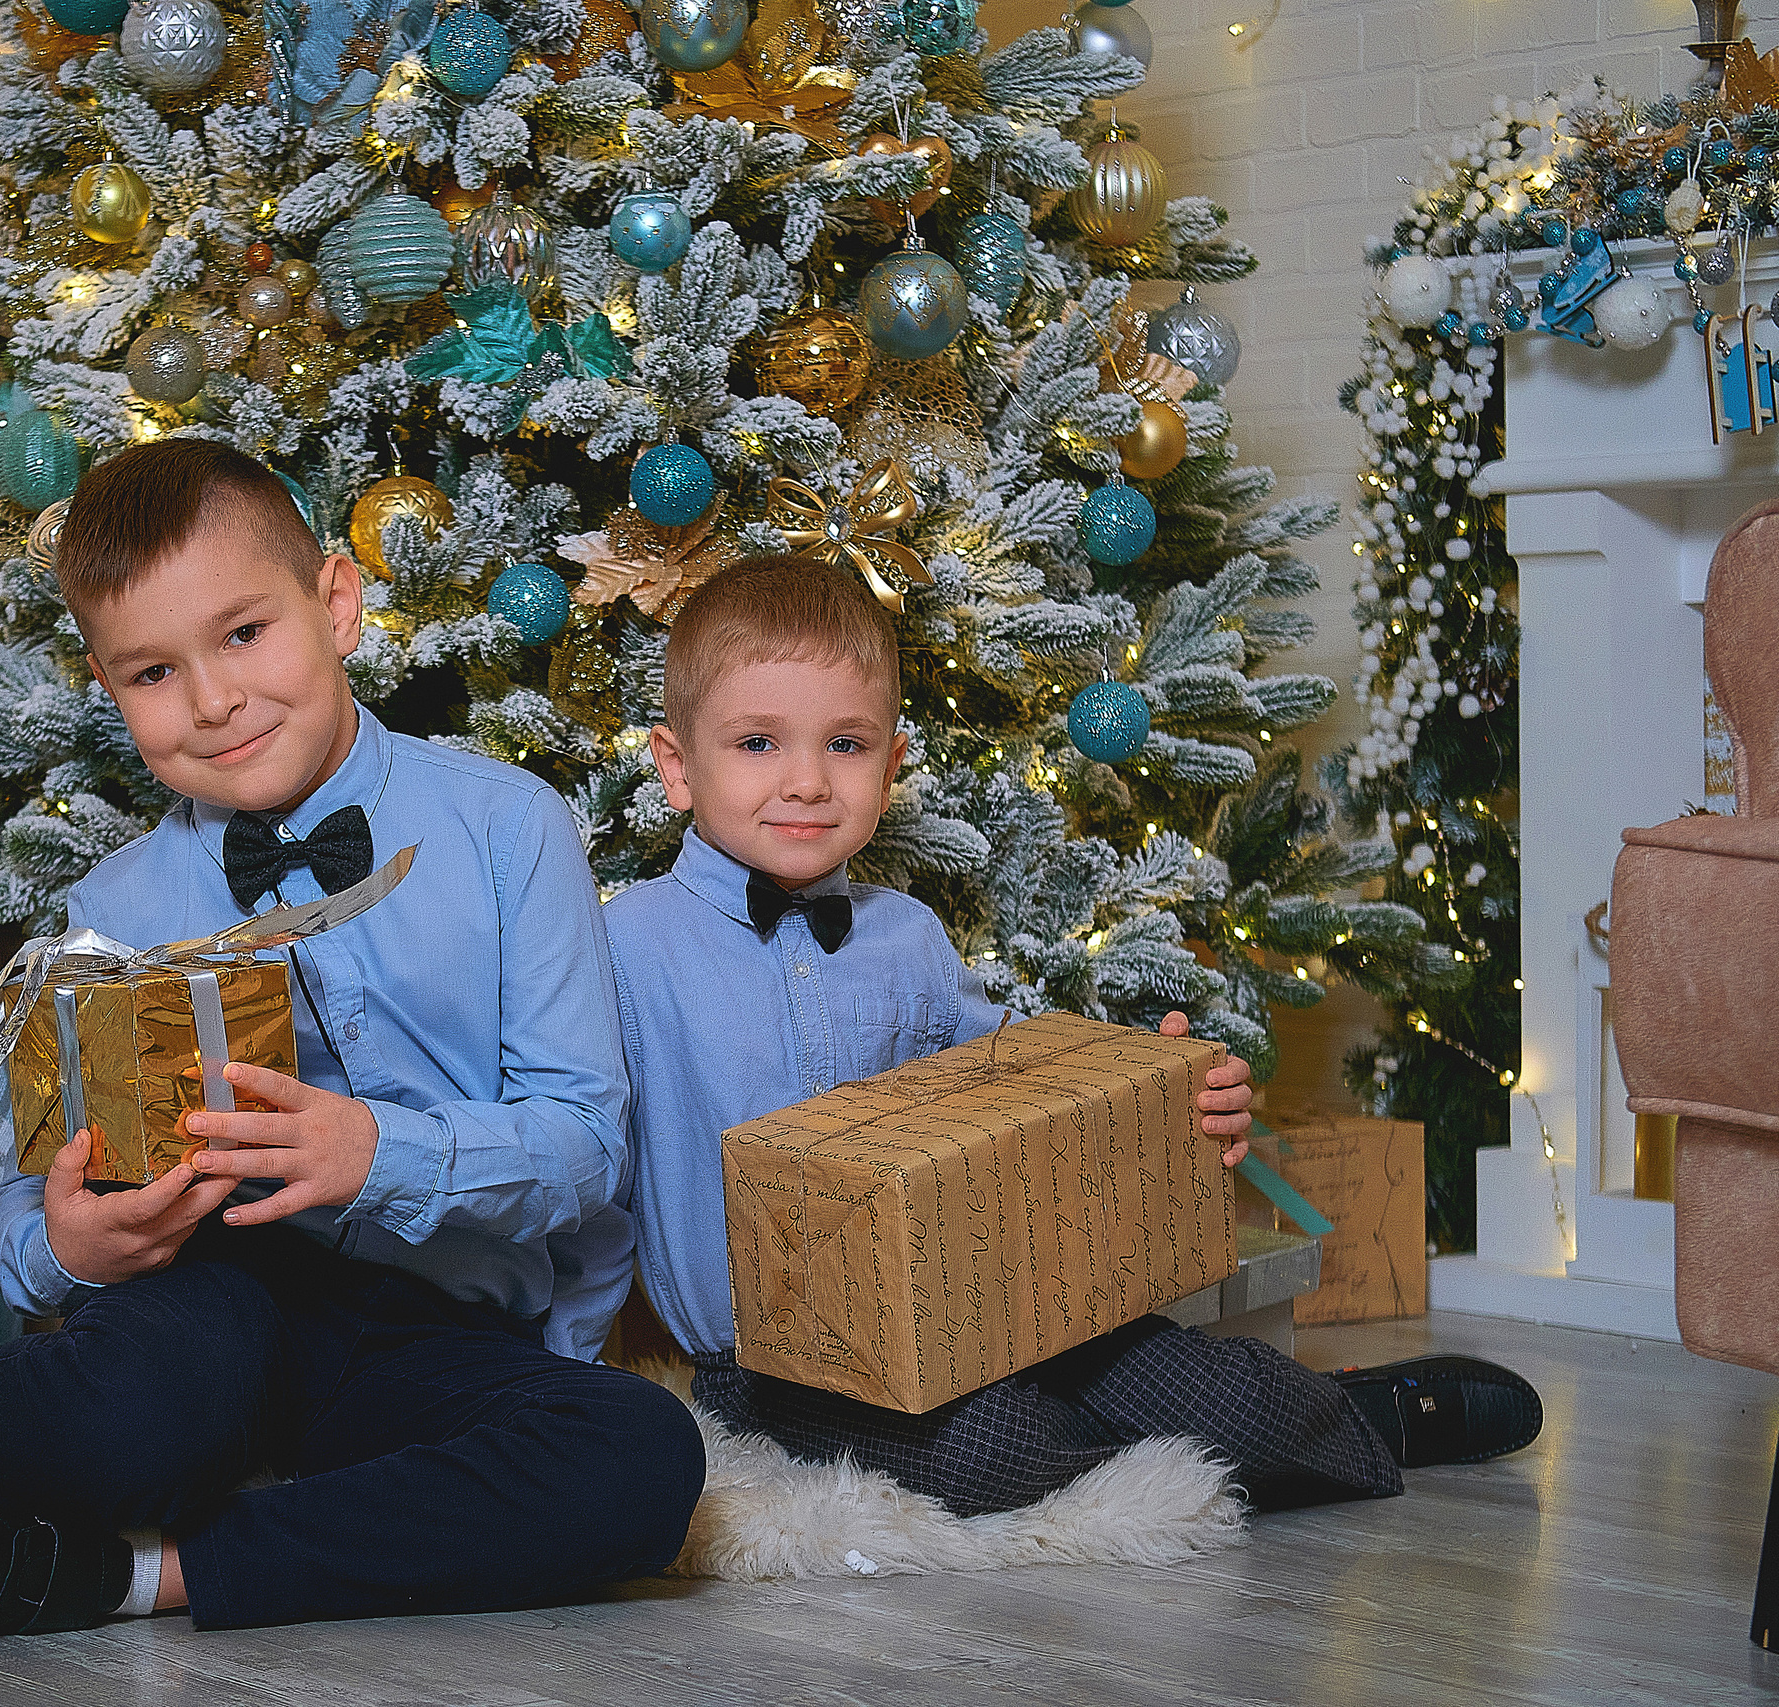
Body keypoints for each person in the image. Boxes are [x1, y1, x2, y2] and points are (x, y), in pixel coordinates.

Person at [0, 441, 703, 1644]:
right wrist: (74, 1247)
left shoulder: (508, 828)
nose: (212, 701)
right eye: (154, 670)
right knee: (156, 1385)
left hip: (436, 1334)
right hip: (206, 1315)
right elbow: (17, 1213)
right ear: (107, 687)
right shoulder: (111, 911)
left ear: (338, 603)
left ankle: (125, 1572)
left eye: (246, 634)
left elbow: (582, 1149)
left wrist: (380, 1154)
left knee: (641, 1456)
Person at [607, 556, 1542, 1517]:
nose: (805, 781)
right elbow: (581, 1169)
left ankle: (1363, 1413)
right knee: (991, 1449)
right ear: (677, 767)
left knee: (1224, 1391)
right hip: (779, 1364)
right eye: (758, 743)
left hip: (992, 1302)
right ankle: (1146, 1448)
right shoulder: (626, 949)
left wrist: (1163, 1090)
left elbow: (1025, 1092)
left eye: (845, 744)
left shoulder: (911, 938)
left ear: (891, 765)